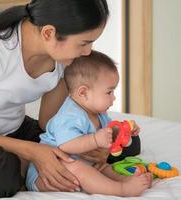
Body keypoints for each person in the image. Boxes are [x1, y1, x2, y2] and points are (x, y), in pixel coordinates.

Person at [0, 0, 138, 199]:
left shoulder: (62, 57)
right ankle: (25, 166)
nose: (88, 52)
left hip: (13, 131)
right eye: (83, 43)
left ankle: (26, 165)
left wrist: (93, 141)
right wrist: (33, 151)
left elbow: (49, 122)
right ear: (49, 33)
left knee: (127, 143)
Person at [26, 51, 153, 196]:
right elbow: (66, 145)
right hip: (49, 173)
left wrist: (123, 131)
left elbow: (110, 131)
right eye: (109, 92)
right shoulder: (69, 115)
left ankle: (123, 180)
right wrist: (95, 139)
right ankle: (122, 190)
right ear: (83, 93)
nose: (114, 98)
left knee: (103, 167)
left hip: (82, 164)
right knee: (78, 168)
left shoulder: (99, 113)